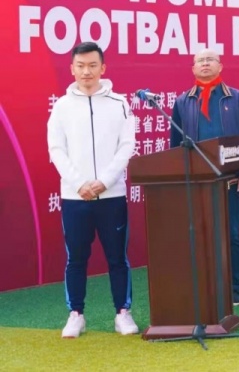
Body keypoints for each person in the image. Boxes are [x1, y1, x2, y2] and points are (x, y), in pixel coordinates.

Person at [47, 41, 138, 338]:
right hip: (75, 197)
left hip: (111, 196)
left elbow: (126, 146)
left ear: (103, 68)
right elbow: (56, 150)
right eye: (81, 66)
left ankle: (122, 312)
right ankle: (76, 314)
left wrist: (105, 180)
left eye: (92, 66)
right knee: (76, 258)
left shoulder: (119, 104)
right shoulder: (61, 107)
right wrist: (79, 184)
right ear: (72, 69)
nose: (87, 72)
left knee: (117, 257)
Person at [171, 49, 239, 305]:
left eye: (210, 60)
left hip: (229, 181)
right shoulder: (182, 101)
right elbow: (175, 145)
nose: (205, 63)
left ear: (220, 66)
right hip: (196, 182)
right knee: (198, 235)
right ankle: (203, 288)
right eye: (200, 60)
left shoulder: (238, 98)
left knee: (230, 234)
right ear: (193, 68)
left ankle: (234, 289)